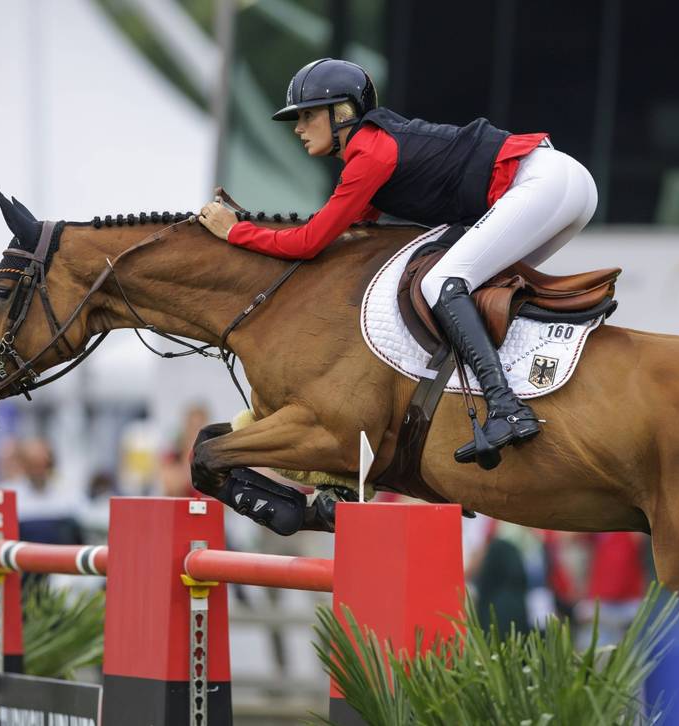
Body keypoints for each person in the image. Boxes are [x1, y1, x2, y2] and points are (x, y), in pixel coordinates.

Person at [198, 58, 597, 472]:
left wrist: (234, 233)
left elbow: (310, 241)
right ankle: (508, 397)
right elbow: (342, 230)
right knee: (471, 287)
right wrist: (250, 227)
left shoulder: (370, 152)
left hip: (543, 182)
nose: (298, 127)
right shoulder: (370, 155)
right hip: (564, 186)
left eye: (307, 115)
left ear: (343, 113)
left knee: (441, 281)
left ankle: (506, 409)